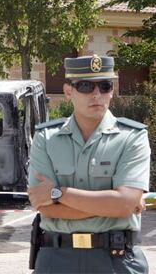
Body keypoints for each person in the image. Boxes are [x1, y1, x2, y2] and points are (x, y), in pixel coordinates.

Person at [27, 54, 150, 273]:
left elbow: (123, 204)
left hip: (116, 261)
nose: (97, 94)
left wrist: (58, 194)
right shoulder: (46, 138)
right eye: (85, 86)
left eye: (105, 86)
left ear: (112, 91)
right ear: (68, 91)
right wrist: (111, 205)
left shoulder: (132, 137)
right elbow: (43, 206)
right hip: (56, 259)